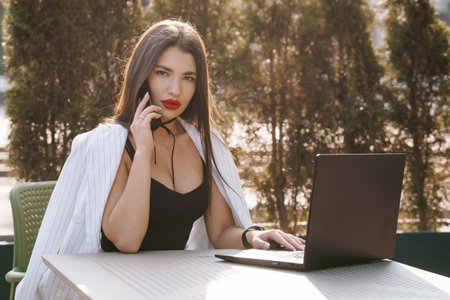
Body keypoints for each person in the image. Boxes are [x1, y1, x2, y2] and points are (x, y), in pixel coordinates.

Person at [15, 19, 305, 299]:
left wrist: (253, 237)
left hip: (177, 286)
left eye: (188, 78)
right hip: (112, 288)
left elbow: (221, 231)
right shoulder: (109, 144)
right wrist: (143, 151)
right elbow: (127, 241)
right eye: (163, 73)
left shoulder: (205, 143)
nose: (175, 90)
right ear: (143, 74)